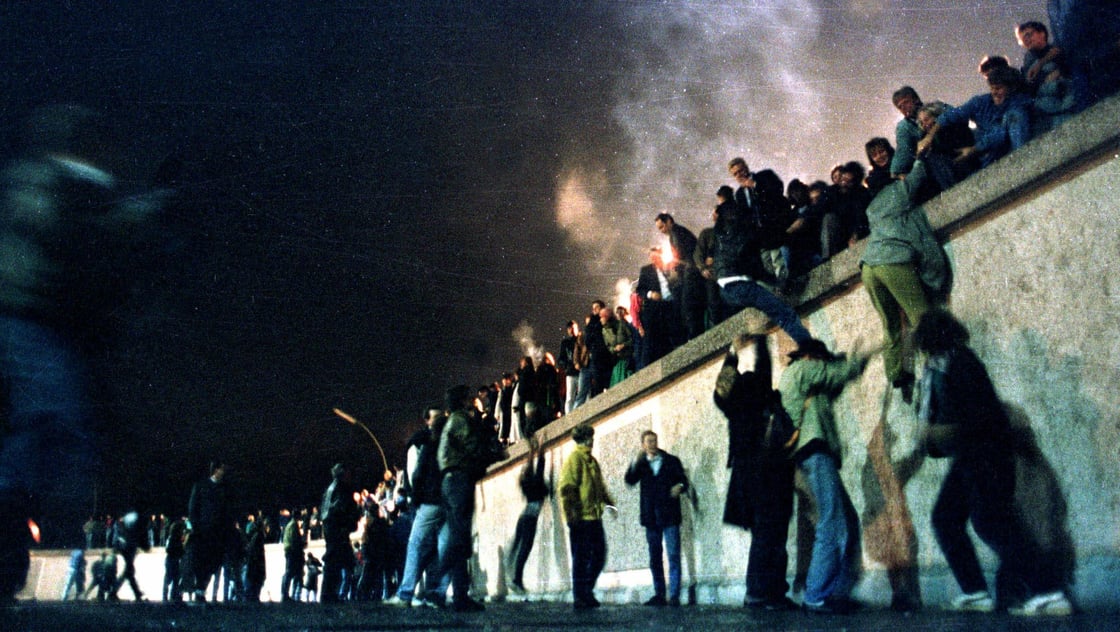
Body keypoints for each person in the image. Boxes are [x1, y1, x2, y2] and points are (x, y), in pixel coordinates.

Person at [0, 104, 167, 600]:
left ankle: (9, 512)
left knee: (53, 426)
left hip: (29, 318)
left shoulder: (27, 180)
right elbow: (89, 230)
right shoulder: (56, 183)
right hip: (33, 317)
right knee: (60, 425)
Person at [913, 309, 1074, 616]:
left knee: (992, 523)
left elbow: (978, 420)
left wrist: (936, 431)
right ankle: (975, 592)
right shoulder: (941, 366)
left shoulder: (960, 363)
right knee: (946, 518)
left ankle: (1048, 592)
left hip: (986, 454)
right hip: (969, 456)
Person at [779, 338, 877, 614]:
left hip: (814, 455)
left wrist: (849, 366)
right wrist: (860, 359)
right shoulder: (802, 369)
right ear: (813, 356)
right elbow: (837, 373)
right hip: (814, 453)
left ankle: (835, 591)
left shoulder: (807, 382)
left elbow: (834, 383)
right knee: (832, 523)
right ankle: (817, 595)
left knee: (847, 521)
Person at [713, 334, 796, 610]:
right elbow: (763, 367)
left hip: (748, 473)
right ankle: (766, 592)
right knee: (773, 534)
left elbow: (723, 384)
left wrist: (732, 352)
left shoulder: (732, 404)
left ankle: (763, 592)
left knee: (765, 534)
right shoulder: (761, 395)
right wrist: (759, 340)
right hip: (770, 470)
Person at [859, 157, 952, 402]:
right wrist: (920, 157)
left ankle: (897, 373)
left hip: (869, 267)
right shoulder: (897, 191)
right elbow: (919, 174)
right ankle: (938, 365)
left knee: (890, 324)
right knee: (920, 315)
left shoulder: (871, 209)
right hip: (892, 261)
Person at [716, 159, 813, 345]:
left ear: (746, 167)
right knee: (768, 263)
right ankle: (779, 289)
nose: (740, 175)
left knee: (780, 259)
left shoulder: (764, 176)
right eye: (735, 173)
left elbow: (777, 190)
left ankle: (786, 285)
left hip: (775, 227)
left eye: (741, 170)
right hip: (758, 237)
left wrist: (755, 185)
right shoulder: (739, 195)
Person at [433, 384, 503, 612]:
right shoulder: (461, 420)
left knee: (458, 537)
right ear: (463, 401)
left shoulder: (451, 422)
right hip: (459, 481)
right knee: (459, 539)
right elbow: (473, 448)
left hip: (451, 481)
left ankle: (459, 596)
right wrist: (493, 455)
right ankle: (437, 588)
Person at [389, 406, 448, 607]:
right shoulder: (450, 440)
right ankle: (436, 593)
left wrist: (416, 498)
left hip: (429, 502)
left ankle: (406, 593)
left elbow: (416, 474)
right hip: (447, 501)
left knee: (416, 545)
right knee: (443, 546)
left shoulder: (423, 443)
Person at [920, 66, 1032, 168]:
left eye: (998, 88)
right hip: (988, 157)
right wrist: (929, 137)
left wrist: (974, 149)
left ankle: (1022, 161)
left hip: (1009, 150)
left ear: (1011, 88)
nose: (994, 92)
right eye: (992, 88)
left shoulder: (1019, 102)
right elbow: (953, 114)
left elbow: (999, 133)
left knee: (1016, 115)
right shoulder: (981, 102)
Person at [624, 431, 688, 607]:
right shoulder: (642, 465)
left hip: (670, 515)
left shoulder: (671, 460)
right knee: (655, 556)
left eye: (654, 440)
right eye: (648, 442)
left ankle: (674, 595)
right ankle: (659, 594)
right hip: (651, 517)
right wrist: (634, 462)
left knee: (673, 554)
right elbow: (629, 480)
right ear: (643, 445)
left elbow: (684, 481)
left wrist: (680, 486)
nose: (652, 444)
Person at [559, 422, 613, 610]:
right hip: (580, 518)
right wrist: (572, 515)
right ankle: (580, 596)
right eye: (588, 438)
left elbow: (599, 486)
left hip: (594, 517)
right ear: (582, 440)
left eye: (591, 437)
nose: (591, 441)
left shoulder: (592, 461)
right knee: (581, 559)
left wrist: (609, 503)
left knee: (599, 555)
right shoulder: (575, 459)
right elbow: (567, 488)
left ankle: (586, 590)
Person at [507, 437, 550, 596]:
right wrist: (541, 451)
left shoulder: (526, 484)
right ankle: (517, 579)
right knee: (525, 548)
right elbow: (539, 468)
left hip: (524, 516)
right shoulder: (536, 483)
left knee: (520, 547)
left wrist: (533, 451)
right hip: (530, 518)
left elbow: (533, 467)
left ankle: (516, 578)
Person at [187, 460, 233, 602]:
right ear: (215, 470)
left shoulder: (223, 488)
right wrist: (197, 527)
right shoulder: (202, 486)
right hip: (204, 532)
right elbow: (192, 508)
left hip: (217, 533)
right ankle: (200, 589)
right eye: (221, 469)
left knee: (213, 562)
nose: (223, 472)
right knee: (203, 561)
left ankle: (201, 589)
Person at [654, 213, 705, 340]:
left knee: (689, 306)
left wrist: (674, 267)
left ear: (669, 221)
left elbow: (680, 254)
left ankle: (696, 337)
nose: (661, 231)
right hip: (690, 271)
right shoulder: (676, 232)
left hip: (690, 272)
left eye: (662, 227)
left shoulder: (676, 233)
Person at [635, 247, 684, 367]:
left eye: (656, 256)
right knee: (651, 341)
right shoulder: (646, 270)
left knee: (672, 335)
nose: (654, 259)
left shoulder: (668, 267)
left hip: (670, 306)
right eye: (652, 257)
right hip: (654, 310)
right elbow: (640, 290)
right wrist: (651, 294)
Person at [320, 462, 361, 602]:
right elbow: (340, 509)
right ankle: (328, 595)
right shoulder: (341, 489)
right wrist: (352, 518)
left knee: (335, 562)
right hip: (337, 529)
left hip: (332, 529)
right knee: (335, 562)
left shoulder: (330, 489)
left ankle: (329, 594)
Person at [110, 511, 149, 601]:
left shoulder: (131, 517)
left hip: (127, 545)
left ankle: (115, 591)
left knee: (128, 570)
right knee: (129, 571)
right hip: (129, 545)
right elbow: (138, 533)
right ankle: (135, 592)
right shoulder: (137, 518)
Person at [600, 306, 633, 386]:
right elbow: (608, 347)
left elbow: (632, 339)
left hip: (628, 358)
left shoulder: (622, 324)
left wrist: (624, 345)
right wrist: (614, 349)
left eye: (602, 317)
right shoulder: (604, 331)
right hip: (617, 360)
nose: (600, 320)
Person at [281, 514, 305, 601]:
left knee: (291, 573)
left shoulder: (289, 525)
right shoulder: (293, 525)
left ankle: (287, 594)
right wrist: (302, 544)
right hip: (293, 552)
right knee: (291, 572)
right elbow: (295, 540)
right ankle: (288, 595)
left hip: (289, 551)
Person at [558, 321, 580, 414]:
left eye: (573, 328)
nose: (571, 330)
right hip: (571, 373)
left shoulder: (580, 340)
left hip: (579, 372)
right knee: (570, 396)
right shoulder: (565, 343)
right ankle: (570, 415)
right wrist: (567, 366)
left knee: (580, 394)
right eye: (569, 328)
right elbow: (561, 359)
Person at [243, 518, 267, 602]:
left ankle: (252, 597)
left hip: (254, 564)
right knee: (256, 582)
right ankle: (253, 597)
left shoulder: (255, 536)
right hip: (256, 564)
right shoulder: (259, 536)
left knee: (253, 582)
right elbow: (258, 553)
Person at [163, 518, 186, 602]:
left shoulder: (173, 538)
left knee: (173, 578)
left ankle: (170, 595)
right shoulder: (174, 539)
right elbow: (170, 550)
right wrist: (181, 551)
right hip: (172, 560)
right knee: (172, 578)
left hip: (172, 560)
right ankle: (171, 595)